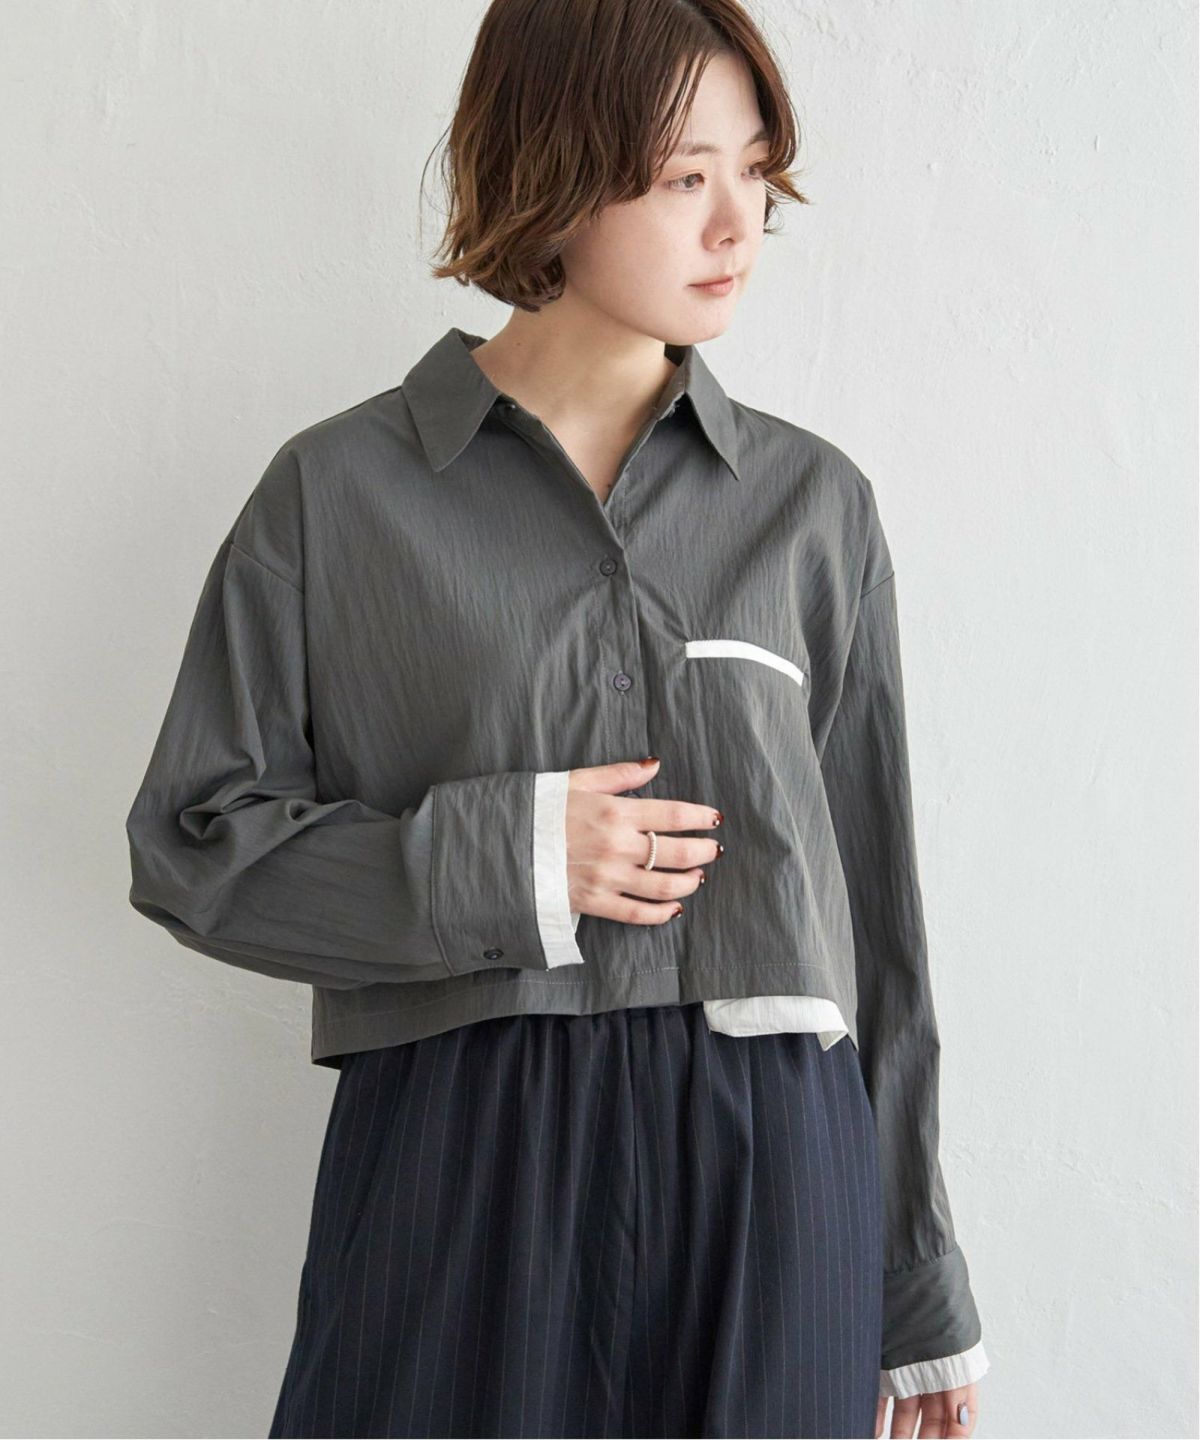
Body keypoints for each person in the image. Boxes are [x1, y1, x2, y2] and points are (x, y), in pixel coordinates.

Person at [125, 1, 990, 1435]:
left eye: (755, 170)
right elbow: (192, 845)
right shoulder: (338, 497)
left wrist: (916, 1282)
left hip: (774, 1169)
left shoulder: (813, 509)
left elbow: (878, 925)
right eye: (684, 176)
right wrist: (508, 856)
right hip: (464, 1148)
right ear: (553, 172)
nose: (738, 225)